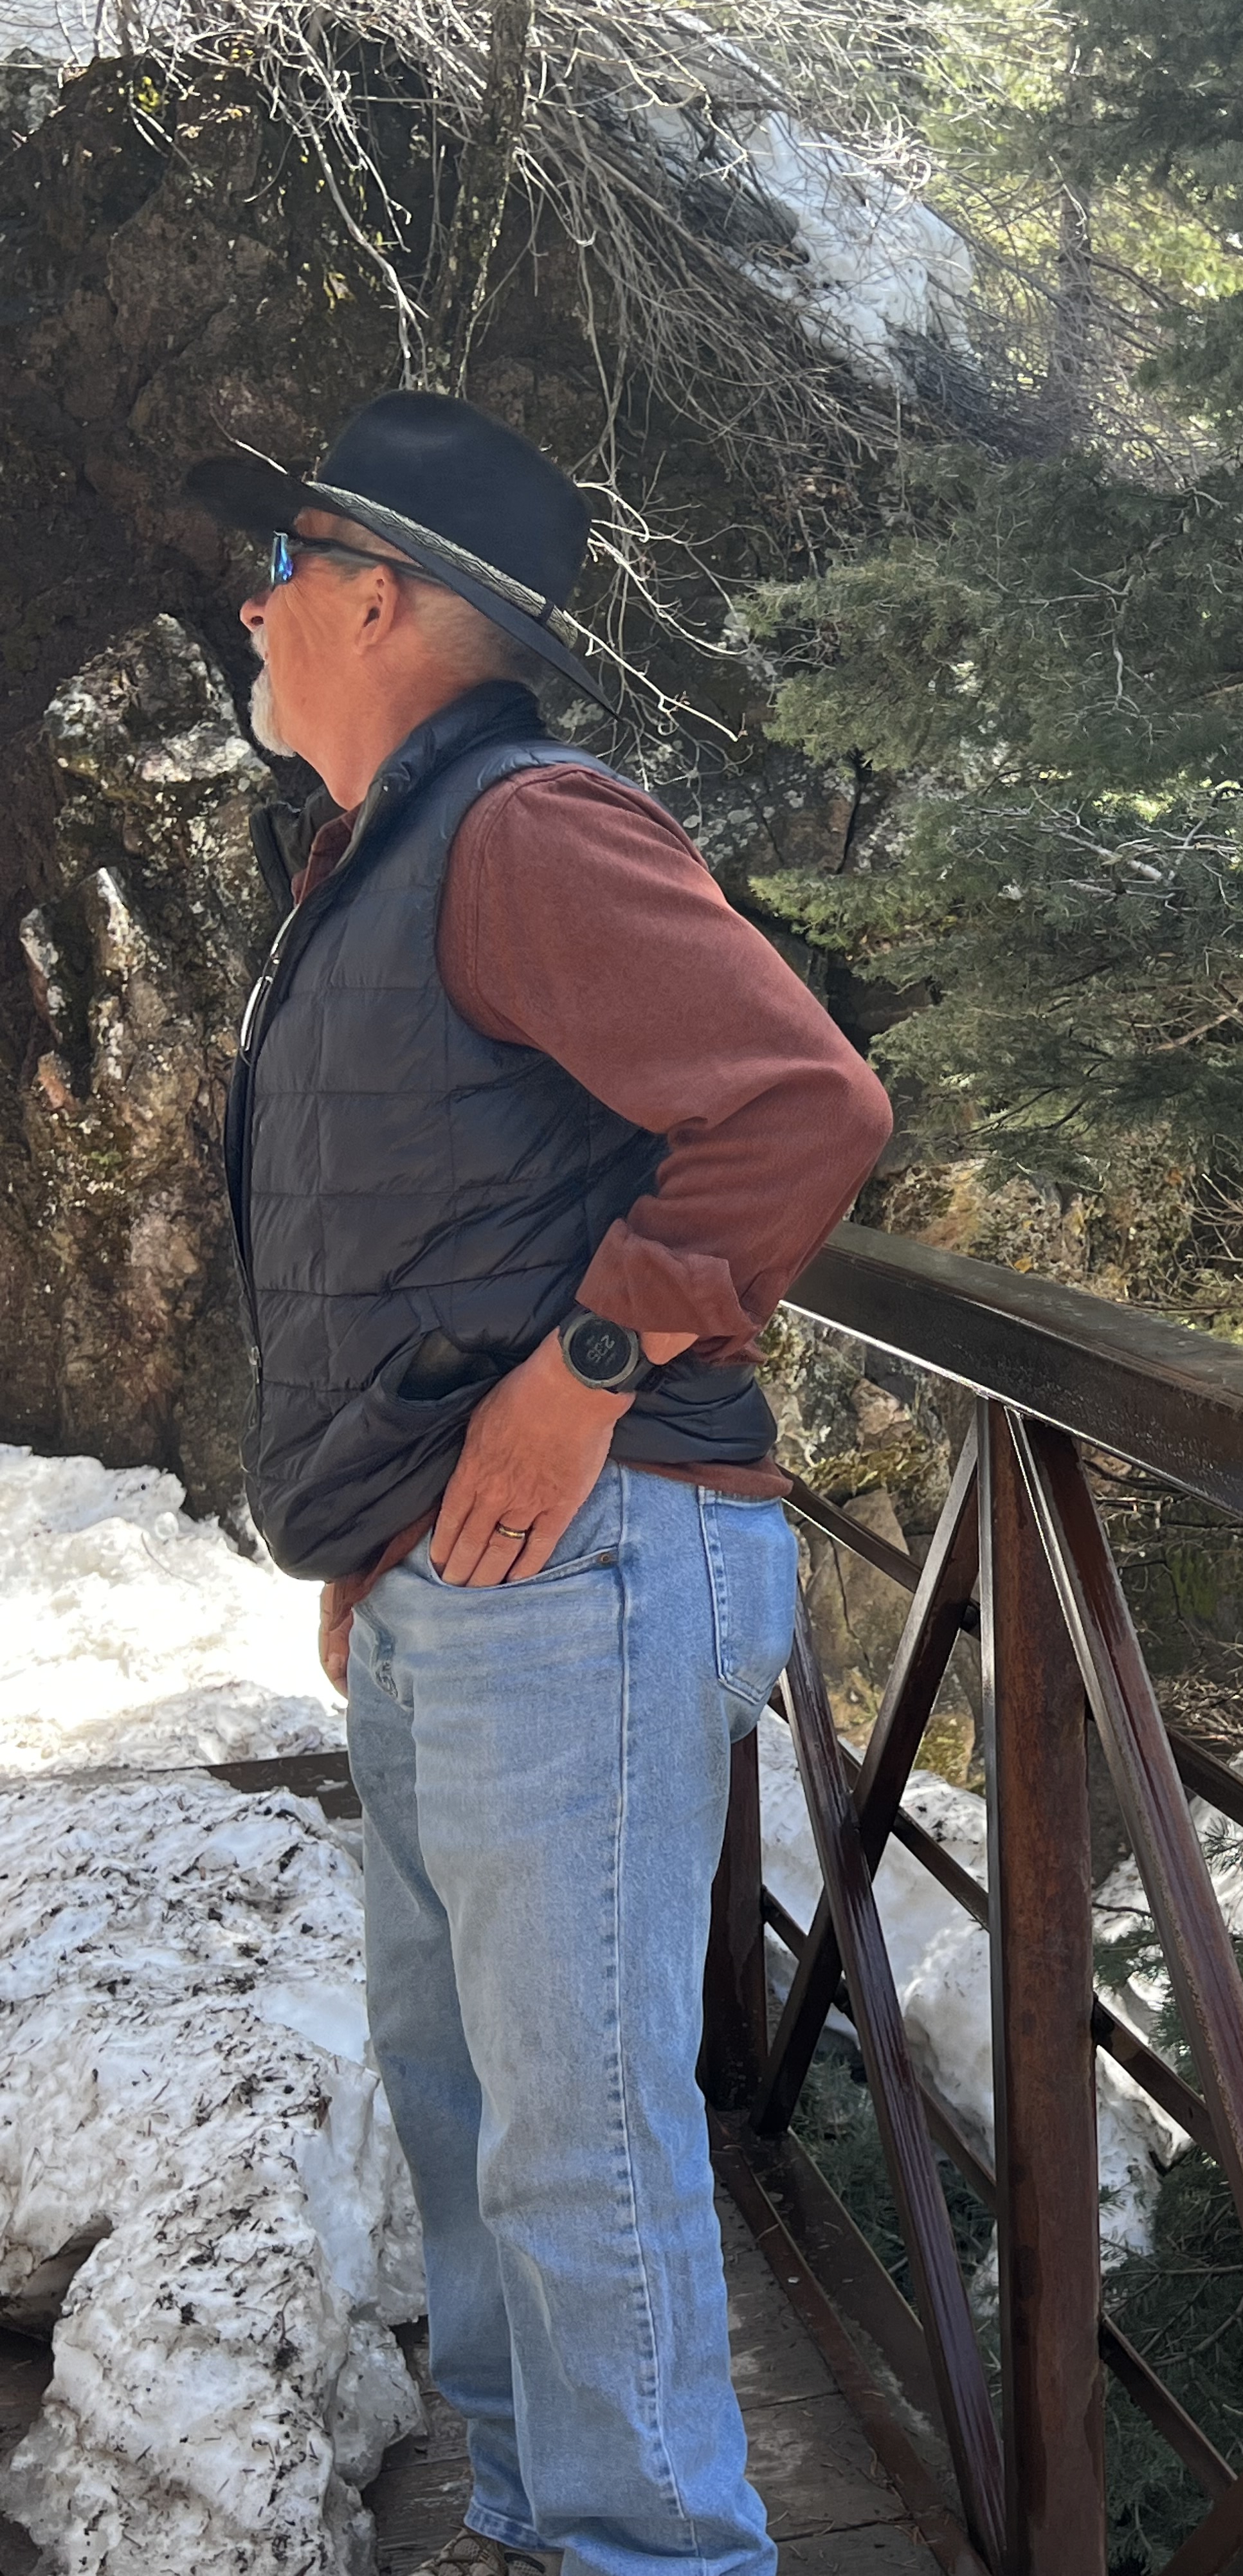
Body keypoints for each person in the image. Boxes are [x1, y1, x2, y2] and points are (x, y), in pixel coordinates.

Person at [186, 392, 893, 2576]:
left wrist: (587, 1371)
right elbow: (432, 1224)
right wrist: (379, 1520)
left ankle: (648, 2552)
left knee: (572, 2128)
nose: (251, 606)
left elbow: (806, 1107)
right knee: (464, 2092)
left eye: (284, 568)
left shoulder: (521, 829)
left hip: (589, 1561)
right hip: (469, 1576)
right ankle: (531, 2516)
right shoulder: (392, 852)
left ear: (383, 600)